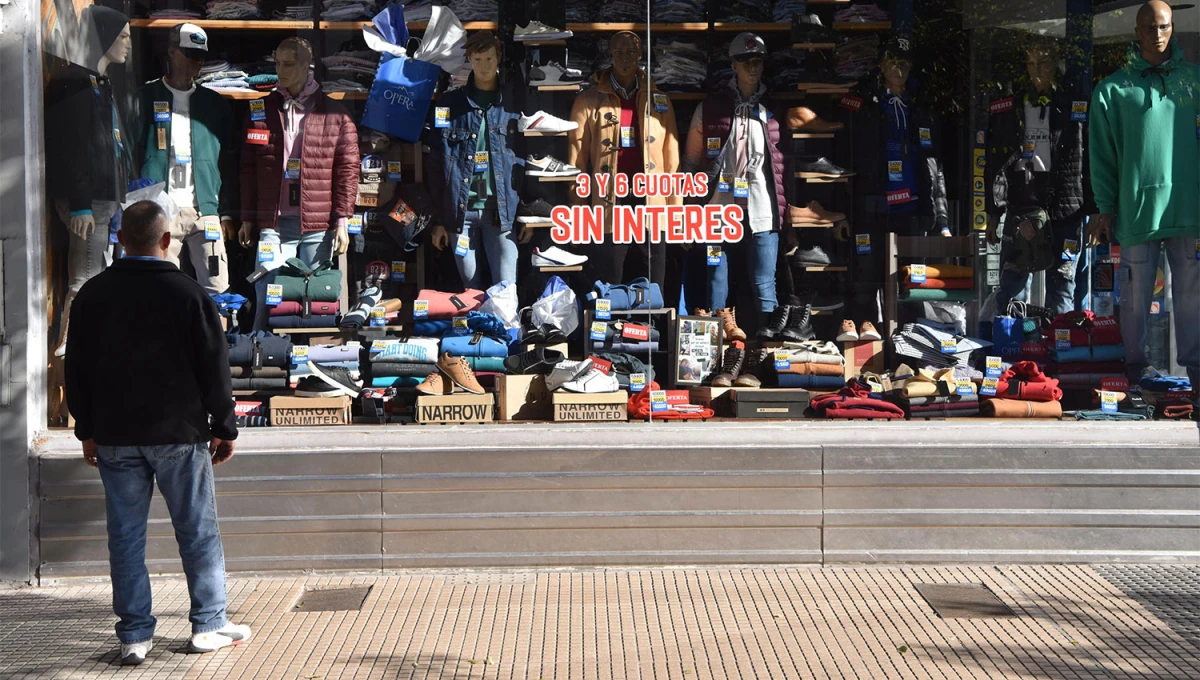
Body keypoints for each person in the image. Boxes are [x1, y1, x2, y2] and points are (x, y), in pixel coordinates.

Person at [64, 200, 250, 666]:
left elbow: (78, 369)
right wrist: (224, 425)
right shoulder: (189, 294)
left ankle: (134, 637)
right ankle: (208, 625)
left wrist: (85, 429)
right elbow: (215, 369)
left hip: (115, 435)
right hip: (179, 434)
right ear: (167, 241)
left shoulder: (92, 294)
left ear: (120, 239)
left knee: (124, 537)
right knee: (197, 531)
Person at [1089, 0, 1200, 384]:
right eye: (1149, 27)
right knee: (1135, 298)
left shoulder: (1195, 82)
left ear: (1174, 29)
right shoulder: (1112, 90)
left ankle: (1197, 376)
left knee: (1191, 296)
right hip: (1137, 211)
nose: (1157, 34)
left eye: (1164, 27)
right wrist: (1105, 208)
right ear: (1137, 32)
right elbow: (1102, 156)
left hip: (1188, 210)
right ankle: (1135, 371)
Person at [238, 37, 359, 331]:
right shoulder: (261, 111)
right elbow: (249, 167)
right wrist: (246, 217)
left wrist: (342, 220)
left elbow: (348, 169)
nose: (281, 70)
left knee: (314, 299)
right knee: (267, 293)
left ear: (307, 66)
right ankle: (261, 356)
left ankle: (308, 364)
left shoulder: (335, 115)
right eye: (277, 63)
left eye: (289, 64)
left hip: (317, 223)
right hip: (273, 222)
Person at [683, 33, 787, 340]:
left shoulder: (773, 109)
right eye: (745, 62)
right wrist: (689, 213)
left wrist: (787, 217)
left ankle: (770, 345)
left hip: (762, 205)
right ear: (733, 64)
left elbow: (782, 170)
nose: (752, 68)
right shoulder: (712, 108)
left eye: (757, 62)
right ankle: (718, 344)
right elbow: (690, 162)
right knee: (716, 271)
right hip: (718, 205)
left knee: (764, 280)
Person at [44, 5, 133, 357]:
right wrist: (81, 203)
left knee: (98, 272)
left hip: (104, 199)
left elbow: (107, 143)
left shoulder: (99, 83)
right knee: (85, 276)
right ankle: (71, 343)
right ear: (104, 38)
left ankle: (86, 339)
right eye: (122, 36)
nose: (127, 44)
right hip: (89, 201)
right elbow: (73, 147)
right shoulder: (76, 85)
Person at [986, 39, 1095, 316]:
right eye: (1031, 63)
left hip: (1066, 208)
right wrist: (994, 212)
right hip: (1024, 205)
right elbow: (998, 160)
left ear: (1055, 63)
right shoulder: (1014, 104)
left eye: (1044, 63)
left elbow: (1090, 158)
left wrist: (1096, 210)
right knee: (1013, 284)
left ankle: (1061, 350)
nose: (1037, 70)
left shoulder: (1073, 103)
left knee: (1063, 282)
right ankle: (1017, 349)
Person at [568, 31, 680, 295]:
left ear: (640, 55)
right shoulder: (588, 100)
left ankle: (651, 335)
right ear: (610, 55)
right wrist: (578, 209)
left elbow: (671, 158)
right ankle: (607, 336)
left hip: (650, 202)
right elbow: (577, 158)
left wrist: (675, 211)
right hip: (608, 203)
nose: (625, 57)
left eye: (631, 51)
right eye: (619, 52)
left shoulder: (659, 100)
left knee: (652, 284)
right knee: (609, 282)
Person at [135, 23, 236, 294]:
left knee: (217, 286)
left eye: (201, 56)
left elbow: (228, 160)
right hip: (161, 209)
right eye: (189, 54)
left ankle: (217, 336)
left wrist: (225, 211)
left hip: (205, 209)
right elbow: (130, 154)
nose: (197, 62)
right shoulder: (145, 98)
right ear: (171, 52)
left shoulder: (214, 104)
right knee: (161, 287)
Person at [427, 31, 523, 288]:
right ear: (469, 59)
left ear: (498, 58)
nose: (484, 66)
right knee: (472, 290)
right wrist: (439, 221)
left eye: (490, 58)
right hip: (461, 214)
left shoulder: (513, 103)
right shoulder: (448, 105)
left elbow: (526, 159)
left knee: (506, 287)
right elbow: (436, 164)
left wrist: (528, 214)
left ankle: (507, 330)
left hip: (500, 211)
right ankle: (480, 330)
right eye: (478, 59)